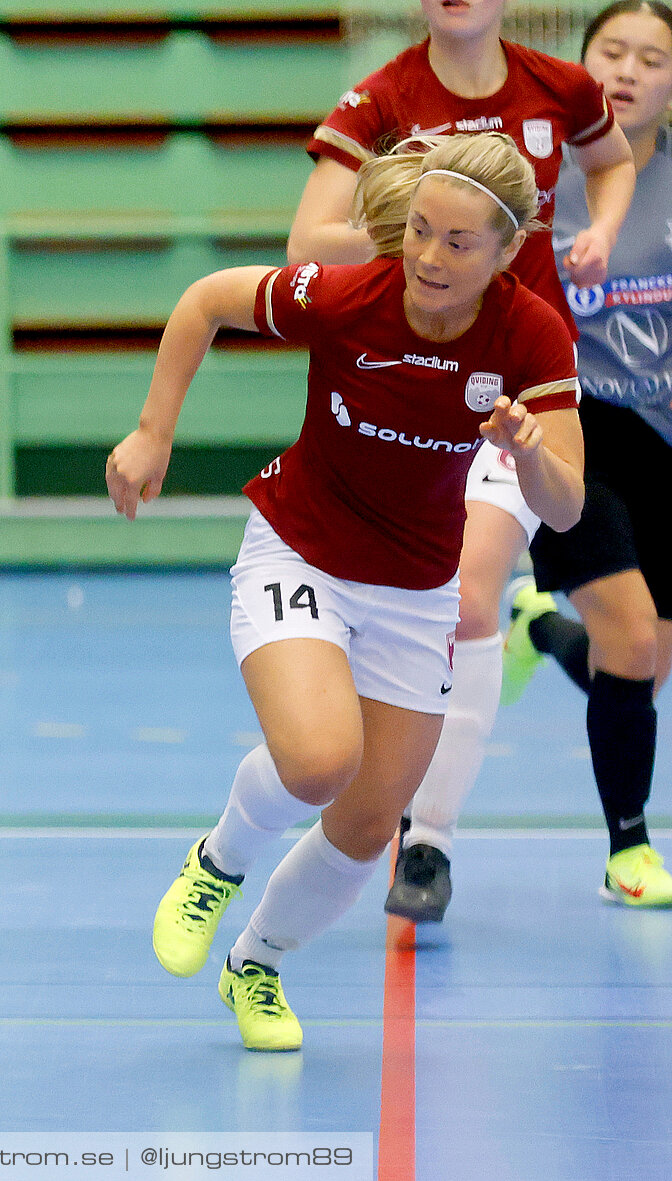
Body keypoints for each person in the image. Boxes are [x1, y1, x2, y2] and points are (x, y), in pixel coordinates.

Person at [113, 132, 584, 1050]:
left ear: (505, 251)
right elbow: (206, 300)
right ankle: (218, 860)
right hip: (299, 553)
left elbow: (562, 509)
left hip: (415, 590)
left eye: (458, 242)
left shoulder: (530, 334)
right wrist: (150, 431)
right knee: (320, 761)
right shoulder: (347, 296)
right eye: (418, 232)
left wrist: (528, 452)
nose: (428, 258)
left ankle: (255, 963)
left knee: (368, 827)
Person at [283, 0, 637, 923]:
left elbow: (613, 157)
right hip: (408, 385)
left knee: (469, 591)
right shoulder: (382, 99)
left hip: (513, 390)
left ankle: (429, 840)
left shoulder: (559, 86)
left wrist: (601, 228)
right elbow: (306, 245)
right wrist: (435, 234)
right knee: (434, 606)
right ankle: (508, 642)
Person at [421, 1, 672, 909]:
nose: (630, 70)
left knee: (642, 659)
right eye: (612, 50)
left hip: (662, 435)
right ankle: (628, 849)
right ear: (581, 66)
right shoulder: (532, 174)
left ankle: (541, 630)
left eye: (652, 57)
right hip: (571, 425)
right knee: (635, 634)